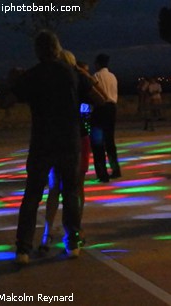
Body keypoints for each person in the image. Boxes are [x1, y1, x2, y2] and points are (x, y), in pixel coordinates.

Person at [13, 31, 83, 264]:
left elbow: (17, 92)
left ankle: (23, 248)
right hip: (68, 139)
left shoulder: (33, 75)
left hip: (42, 141)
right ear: (57, 48)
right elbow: (93, 97)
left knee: (32, 195)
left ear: (37, 51)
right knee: (70, 191)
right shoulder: (70, 74)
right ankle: (72, 242)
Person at [39, 51, 105, 254]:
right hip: (77, 138)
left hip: (58, 138)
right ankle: (73, 232)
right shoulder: (78, 85)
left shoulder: (52, 86)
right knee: (74, 188)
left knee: (56, 188)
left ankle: (49, 233)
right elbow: (102, 99)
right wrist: (84, 76)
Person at [90, 53, 122, 182]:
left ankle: (102, 173)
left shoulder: (96, 76)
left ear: (97, 63)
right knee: (110, 141)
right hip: (112, 109)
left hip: (100, 109)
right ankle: (115, 169)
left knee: (98, 142)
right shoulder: (113, 77)